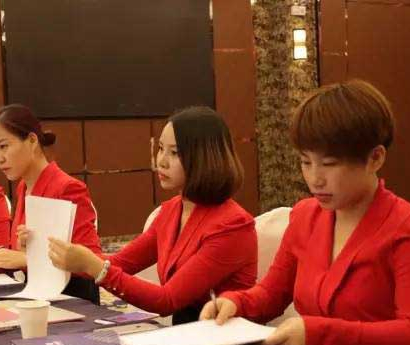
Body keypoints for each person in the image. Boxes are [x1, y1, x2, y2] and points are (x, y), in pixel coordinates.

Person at [201, 80, 410, 345]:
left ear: (375, 158)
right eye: (305, 162)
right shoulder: (305, 216)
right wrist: (236, 303)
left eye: (329, 163)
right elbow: (272, 293)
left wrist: (321, 334)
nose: (315, 178)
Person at [48, 106, 258, 324]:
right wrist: (58, 253)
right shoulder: (171, 210)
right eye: (160, 148)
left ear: (205, 157)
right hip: (185, 334)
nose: (161, 161)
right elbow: (120, 263)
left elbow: (166, 300)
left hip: (224, 339)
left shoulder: (233, 225)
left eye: (174, 153)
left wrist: (93, 266)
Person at [0, 104, 101, 302]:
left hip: (72, 299)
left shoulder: (67, 188)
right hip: (36, 294)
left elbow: (92, 263)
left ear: (32, 140)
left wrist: (28, 259)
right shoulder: (23, 187)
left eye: (4, 146)